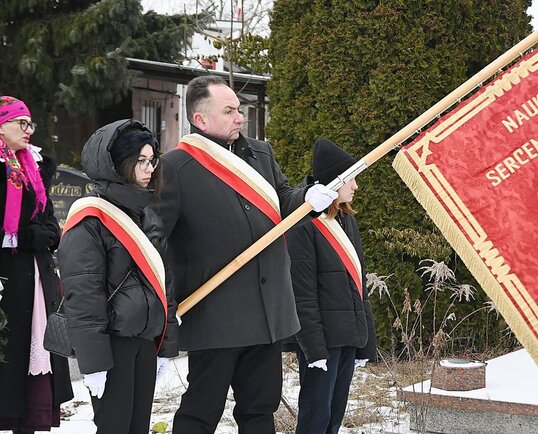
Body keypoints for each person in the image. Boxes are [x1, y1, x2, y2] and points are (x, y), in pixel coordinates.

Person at [150, 75, 338, 434]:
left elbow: (283, 203)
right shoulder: (175, 167)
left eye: (239, 109)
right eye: (229, 111)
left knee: (260, 410)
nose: (240, 117)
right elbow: (155, 240)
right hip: (215, 316)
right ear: (200, 119)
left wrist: (307, 199)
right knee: (201, 411)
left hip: (268, 312)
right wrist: (166, 307)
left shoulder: (260, 154)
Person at [57, 119, 179, 434]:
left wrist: (165, 345)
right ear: (117, 164)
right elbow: (83, 294)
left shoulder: (146, 213)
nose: (149, 169)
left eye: (152, 160)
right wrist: (94, 362)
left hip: (145, 340)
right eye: (140, 161)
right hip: (112, 345)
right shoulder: (91, 218)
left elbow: (163, 282)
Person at [285, 139, 377, 434]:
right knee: (316, 418)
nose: (356, 186)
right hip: (322, 341)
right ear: (334, 181)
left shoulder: (346, 218)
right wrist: (314, 349)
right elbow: (302, 294)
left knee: (334, 416)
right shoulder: (303, 223)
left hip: (347, 337)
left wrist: (364, 343)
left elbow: (359, 285)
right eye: (351, 179)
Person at [0, 96, 73, 433]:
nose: (29, 129)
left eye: (30, 123)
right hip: (7, 280)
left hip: (36, 278)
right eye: (21, 123)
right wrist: (25, 235)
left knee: (33, 362)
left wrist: (47, 234)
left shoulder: (34, 166)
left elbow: (47, 218)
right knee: (9, 358)